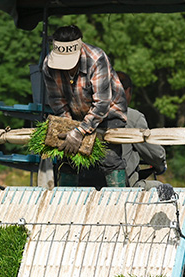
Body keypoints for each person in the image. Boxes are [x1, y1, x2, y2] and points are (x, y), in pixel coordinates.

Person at [42, 25, 128, 187]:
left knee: (109, 158)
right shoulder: (49, 66)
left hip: (109, 112)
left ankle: (119, 201)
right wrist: (69, 128)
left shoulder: (96, 59)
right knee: (66, 157)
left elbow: (102, 103)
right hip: (75, 113)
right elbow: (56, 100)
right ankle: (68, 205)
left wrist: (80, 132)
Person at [116, 71, 167, 187]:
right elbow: (155, 154)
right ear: (127, 91)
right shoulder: (132, 117)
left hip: (85, 185)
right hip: (123, 187)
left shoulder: (86, 115)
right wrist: (161, 165)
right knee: (162, 188)